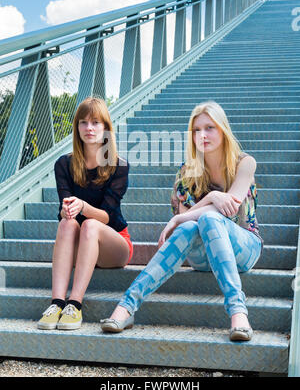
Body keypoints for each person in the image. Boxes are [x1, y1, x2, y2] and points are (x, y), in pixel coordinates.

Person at [100, 100, 263, 341]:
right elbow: (188, 223)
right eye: (196, 130)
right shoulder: (187, 172)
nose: (202, 135)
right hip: (203, 255)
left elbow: (230, 208)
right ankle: (127, 306)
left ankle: (238, 311)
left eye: (209, 128)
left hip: (244, 247)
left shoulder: (244, 163)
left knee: (205, 218)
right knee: (191, 225)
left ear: (223, 129)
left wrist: (194, 210)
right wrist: (209, 201)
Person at [38, 97, 132, 330]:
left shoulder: (118, 165)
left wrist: (83, 207)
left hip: (114, 244)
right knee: (67, 224)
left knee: (90, 224)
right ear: (77, 127)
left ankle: (75, 305)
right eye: (83, 122)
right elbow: (65, 209)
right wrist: (66, 210)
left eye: (95, 123)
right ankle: (57, 302)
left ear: (106, 128)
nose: (89, 128)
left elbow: (109, 216)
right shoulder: (63, 165)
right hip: (81, 245)